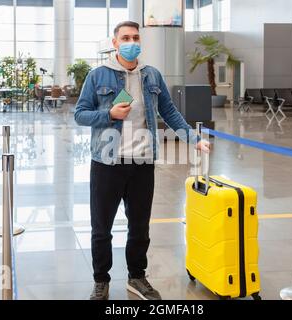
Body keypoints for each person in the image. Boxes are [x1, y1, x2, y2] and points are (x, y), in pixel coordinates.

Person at [75, 21, 210, 300]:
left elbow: (169, 111)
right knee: (102, 227)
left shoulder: (152, 76)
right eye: (125, 37)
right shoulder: (98, 75)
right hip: (107, 162)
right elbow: (80, 114)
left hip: (142, 162)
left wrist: (193, 138)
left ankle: (137, 277)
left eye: (135, 37)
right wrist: (109, 115)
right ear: (114, 43)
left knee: (140, 226)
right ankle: (101, 280)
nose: (131, 41)